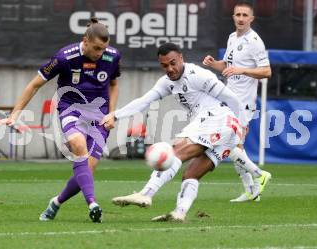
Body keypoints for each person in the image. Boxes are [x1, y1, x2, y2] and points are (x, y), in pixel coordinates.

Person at [101, 42, 247, 222]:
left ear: (181, 58)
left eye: (173, 63)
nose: (170, 69)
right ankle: (179, 213)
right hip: (226, 130)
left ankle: (146, 193)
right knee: (191, 174)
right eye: (164, 65)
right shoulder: (166, 83)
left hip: (218, 119)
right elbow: (144, 101)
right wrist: (116, 115)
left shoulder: (198, 75)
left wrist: (243, 126)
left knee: (175, 151)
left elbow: (230, 97)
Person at [0, 18, 121, 223]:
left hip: (99, 116)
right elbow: (34, 84)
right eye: (97, 48)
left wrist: (112, 113)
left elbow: (114, 85)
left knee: (86, 171)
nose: (100, 53)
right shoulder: (64, 57)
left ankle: (56, 202)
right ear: (86, 41)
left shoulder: (113, 56)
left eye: (104, 49)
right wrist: (15, 114)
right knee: (78, 145)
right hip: (71, 111)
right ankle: (93, 203)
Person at [203, 2, 272, 202]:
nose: (241, 18)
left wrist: (242, 70)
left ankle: (258, 179)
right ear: (233, 17)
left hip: (243, 104)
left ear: (251, 19)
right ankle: (253, 189)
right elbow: (228, 66)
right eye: (238, 14)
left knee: (231, 145)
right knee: (234, 146)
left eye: (245, 15)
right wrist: (213, 64)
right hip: (229, 99)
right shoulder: (232, 37)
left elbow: (266, 71)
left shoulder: (255, 41)